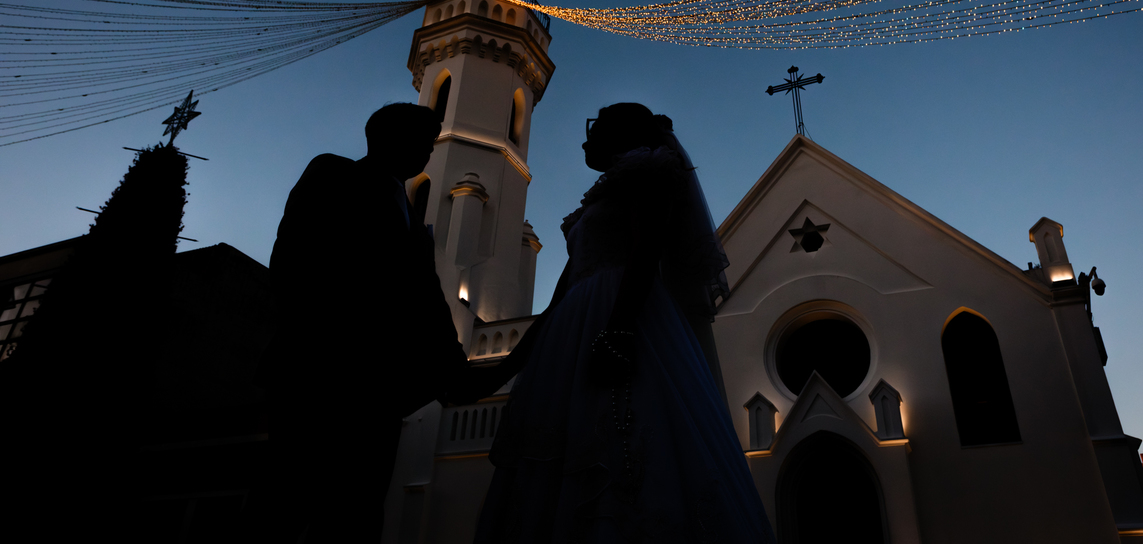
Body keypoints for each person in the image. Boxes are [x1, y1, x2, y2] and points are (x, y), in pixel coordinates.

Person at [474, 103, 775, 543]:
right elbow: (558, 300)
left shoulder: (648, 172)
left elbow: (645, 251)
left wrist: (617, 329)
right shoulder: (600, 198)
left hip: (623, 318)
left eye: (595, 129)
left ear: (620, 134)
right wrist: (500, 371)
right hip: (573, 327)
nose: (585, 139)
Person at [242, 102, 520, 543]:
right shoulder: (335, 175)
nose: (428, 153)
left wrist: (452, 368)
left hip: (378, 391)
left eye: (430, 144)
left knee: (355, 512)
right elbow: (293, 263)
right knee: (285, 501)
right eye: (422, 143)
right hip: (318, 375)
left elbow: (428, 305)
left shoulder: (413, 223)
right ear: (386, 139)